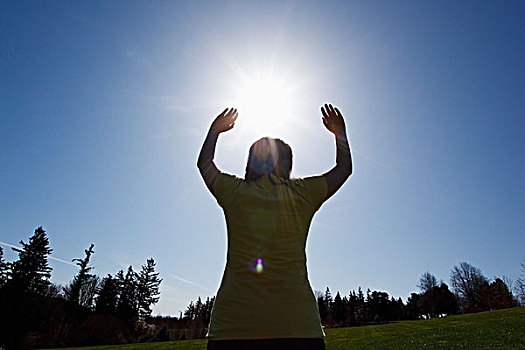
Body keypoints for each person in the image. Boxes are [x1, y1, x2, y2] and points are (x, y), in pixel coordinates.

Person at [197, 103, 352, 350]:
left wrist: (215, 130)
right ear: (287, 163)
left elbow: (204, 164)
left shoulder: (234, 191)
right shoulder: (303, 193)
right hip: (298, 327)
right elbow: (344, 169)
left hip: (233, 328)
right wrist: (339, 133)